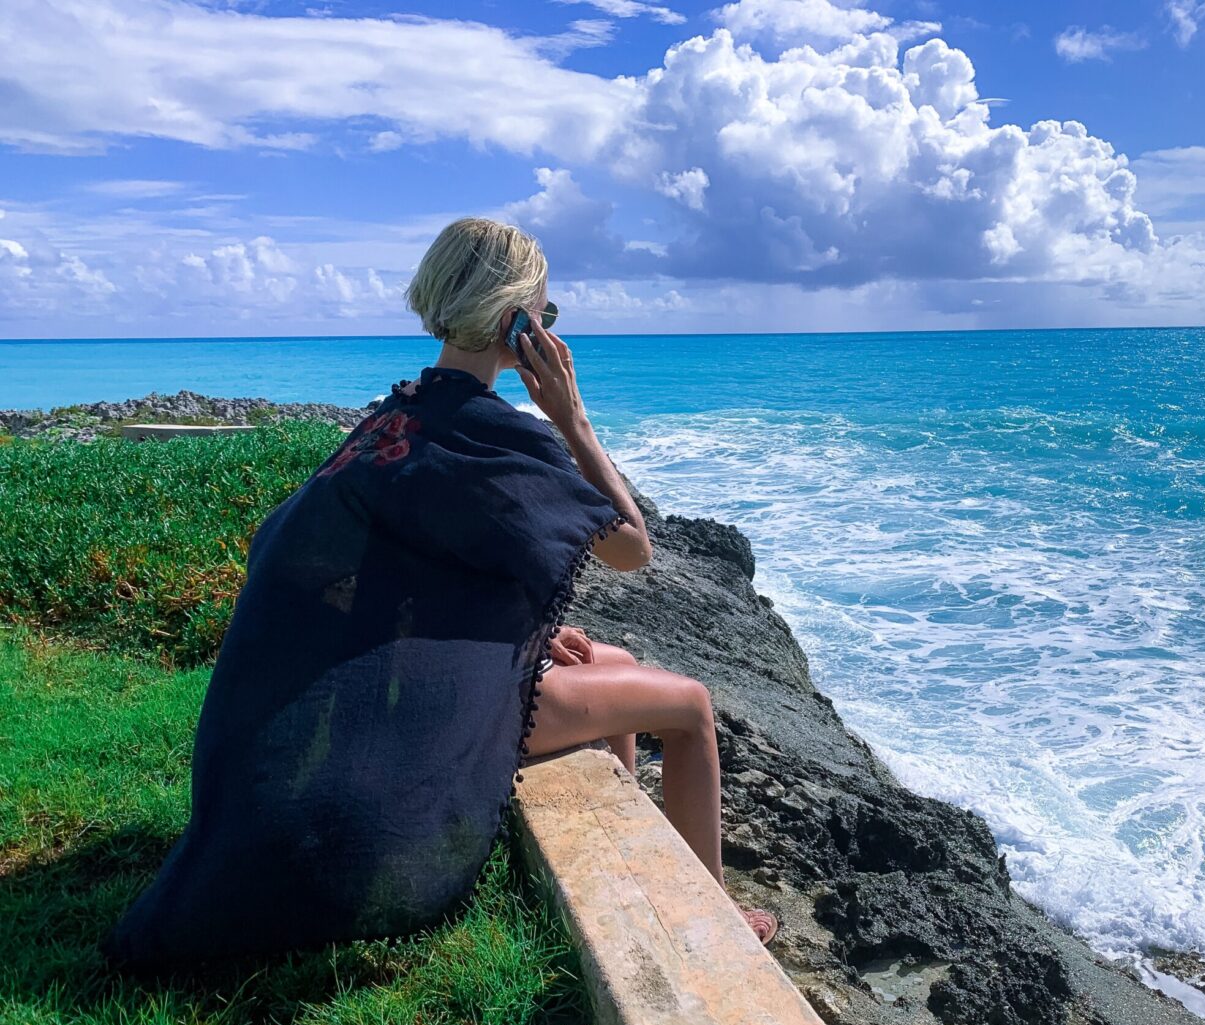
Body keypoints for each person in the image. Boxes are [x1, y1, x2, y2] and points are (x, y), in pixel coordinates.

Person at [102, 217, 777, 971]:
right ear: (515, 323)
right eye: (545, 316)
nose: (550, 331)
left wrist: (520, 632)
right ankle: (715, 911)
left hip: (373, 704)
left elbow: (394, 570)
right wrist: (570, 416)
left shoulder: (397, 416)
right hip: (426, 725)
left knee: (606, 654)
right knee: (689, 706)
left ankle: (622, 851)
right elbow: (630, 546)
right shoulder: (493, 433)